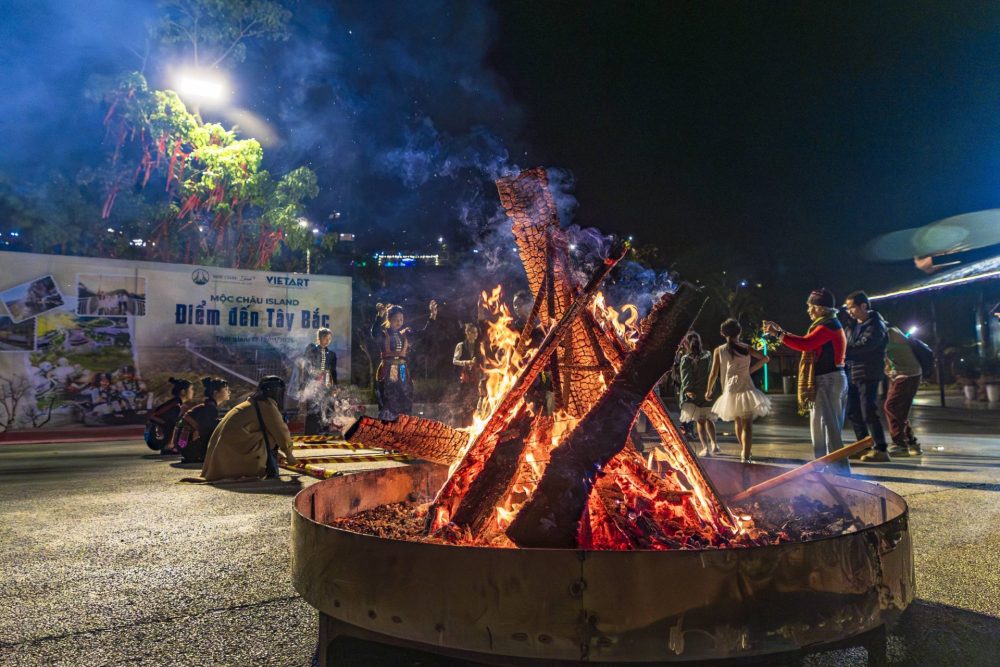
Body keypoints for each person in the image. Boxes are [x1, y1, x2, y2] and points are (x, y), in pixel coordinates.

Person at [764, 288, 850, 474]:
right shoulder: (829, 324)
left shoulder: (828, 326)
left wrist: (779, 335)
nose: (808, 310)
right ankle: (825, 469)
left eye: (810, 306)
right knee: (822, 428)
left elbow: (805, 343)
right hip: (829, 379)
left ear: (821, 308)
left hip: (828, 380)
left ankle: (840, 472)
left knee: (828, 430)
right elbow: (806, 341)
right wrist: (781, 332)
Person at [201, 376, 299, 481]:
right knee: (272, 433)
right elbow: (281, 432)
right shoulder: (266, 405)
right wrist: (289, 455)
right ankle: (266, 470)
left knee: (269, 433)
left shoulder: (253, 402)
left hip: (224, 457)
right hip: (235, 455)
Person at [705, 319, 770, 463]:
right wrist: (750, 370)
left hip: (730, 389)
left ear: (723, 333)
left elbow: (713, 373)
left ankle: (744, 451)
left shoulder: (719, 350)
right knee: (747, 424)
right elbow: (765, 358)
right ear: (739, 332)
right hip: (746, 387)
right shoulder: (746, 348)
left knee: (738, 421)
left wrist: (708, 390)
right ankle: (746, 455)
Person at [843, 291, 891, 463]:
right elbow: (849, 343)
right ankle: (863, 446)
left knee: (868, 410)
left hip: (868, 372)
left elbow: (864, 346)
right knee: (852, 410)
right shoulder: (852, 325)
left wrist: (845, 351)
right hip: (852, 371)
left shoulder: (876, 325)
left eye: (852, 308)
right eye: (848, 308)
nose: (849, 311)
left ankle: (881, 448)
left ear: (863, 306)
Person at [371, 300, 438, 420]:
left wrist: (432, 316)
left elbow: (423, 333)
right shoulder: (383, 334)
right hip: (387, 369)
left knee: (405, 394)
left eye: (401, 319)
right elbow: (373, 332)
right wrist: (380, 315)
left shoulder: (405, 333)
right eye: (396, 319)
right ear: (390, 319)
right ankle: (387, 425)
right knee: (388, 397)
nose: (399, 322)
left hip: (402, 369)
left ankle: (403, 424)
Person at [883, 325, 924, 457]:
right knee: (901, 410)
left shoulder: (889, 333)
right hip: (905, 374)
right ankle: (911, 442)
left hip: (906, 374)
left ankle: (900, 444)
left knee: (892, 406)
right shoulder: (892, 331)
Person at [678, 331, 719, 456]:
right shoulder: (707, 355)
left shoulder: (686, 359)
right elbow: (712, 373)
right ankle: (715, 445)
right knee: (709, 420)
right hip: (708, 392)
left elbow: (686, 377)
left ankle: (705, 448)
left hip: (694, 393)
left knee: (700, 421)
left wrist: (687, 391)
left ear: (687, 344)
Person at [176, 377, 231, 464]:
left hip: (185, 448)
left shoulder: (207, 406)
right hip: (191, 451)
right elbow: (208, 429)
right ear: (216, 393)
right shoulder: (210, 408)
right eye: (226, 389)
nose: (229, 392)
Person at [299, 328, 338, 435]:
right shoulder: (311, 349)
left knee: (326, 408)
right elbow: (305, 366)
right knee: (313, 409)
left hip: (326, 385)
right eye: (325, 338)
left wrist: (335, 387)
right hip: (312, 384)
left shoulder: (332, 354)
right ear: (319, 338)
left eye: (329, 339)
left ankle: (323, 433)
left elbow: (333, 372)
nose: (328, 341)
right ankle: (311, 434)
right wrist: (304, 385)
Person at [145, 377, 195, 452]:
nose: (193, 392)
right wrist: (165, 424)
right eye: (191, 389)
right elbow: (152, 416)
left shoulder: (179, 405)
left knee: (185, 423)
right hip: (155, 439)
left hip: (160, 437)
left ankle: (176, 446)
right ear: (183, 392)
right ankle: (169, 446)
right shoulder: (175, 404)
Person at [453, 321, 483, 427]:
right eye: (473, 332)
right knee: (465, 405)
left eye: (476, 333)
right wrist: (466, 362)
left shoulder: (479, 346)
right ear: (467, 332)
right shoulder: (460, 346)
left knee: (476, 404)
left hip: (476, 378)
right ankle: (465, 427)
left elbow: (483, 360)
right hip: (465, 379)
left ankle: (474, 426)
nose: (475, 335)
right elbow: (455, 361)